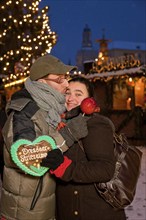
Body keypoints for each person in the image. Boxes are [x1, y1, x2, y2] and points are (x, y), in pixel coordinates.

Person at [0, 55, 88, 220]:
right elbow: (26, 156)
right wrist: (68, 135)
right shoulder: (23, 112)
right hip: (25, 211)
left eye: (66, 78)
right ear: (42, 82)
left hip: (42, 205)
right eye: (60, 80)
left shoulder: (48, 109)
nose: (67, 84)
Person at [42, 76, 127, 220]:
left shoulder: (96, 124)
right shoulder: (62, 123)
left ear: (90, 100)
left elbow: (105, 169)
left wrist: (64, 167)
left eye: (78, 94)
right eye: (68, 92)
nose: (70, 98)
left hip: (93, 211)